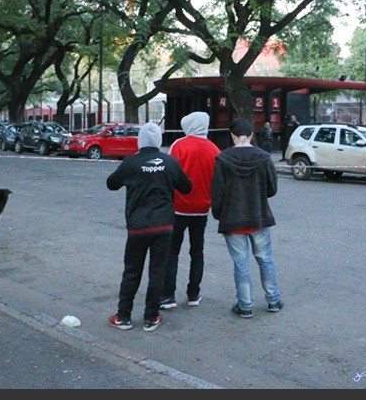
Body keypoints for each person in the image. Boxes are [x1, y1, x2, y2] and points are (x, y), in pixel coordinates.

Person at [106, 122, 192, 332]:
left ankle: (123, 316)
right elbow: (187, 187)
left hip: (138, 225)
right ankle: (151, 317)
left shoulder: (131, 163)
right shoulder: (170, 162)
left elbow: (111, 183)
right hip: (164, 225)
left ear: (140, 140)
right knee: (157, 271)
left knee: (132, 271)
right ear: (159, 141)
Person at [211, 118, 284, 318]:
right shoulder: (263, 157)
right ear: (251, 135)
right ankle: (273, 300)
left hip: (232, 219)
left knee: (241, 264)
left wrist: (219, 215)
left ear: (232, 136)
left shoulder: (222, 159)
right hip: (258, 216)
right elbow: (272, 189)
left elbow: (217, 194)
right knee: (265, 260)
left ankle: (245, 305)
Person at [159, 112, 221, 310]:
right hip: (202, 208)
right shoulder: (214, 148)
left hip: (177, 207)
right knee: (197, 251)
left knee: (172, 252)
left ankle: (168, 296)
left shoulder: (179, 145)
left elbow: (168, 172)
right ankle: (194, 294)